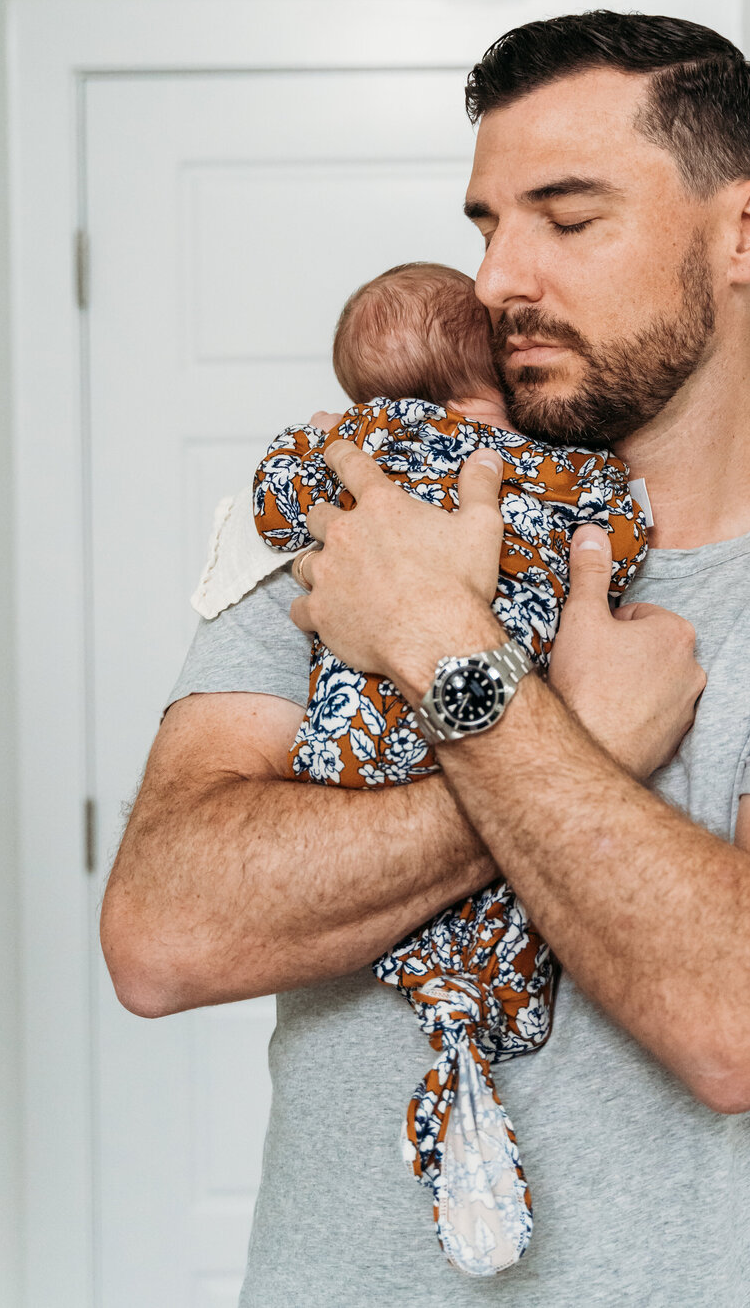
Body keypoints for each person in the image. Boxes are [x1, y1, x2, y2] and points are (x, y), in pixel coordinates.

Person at [100, 11, 750, 1308]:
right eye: (485, 222)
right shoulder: (355, 510)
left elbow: (743, 1018)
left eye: (568, 219)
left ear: (746, 230)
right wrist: (576, 737)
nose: (498, 280)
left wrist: (439, 646)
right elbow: (164, 933)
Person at [251, 259, 647, 1276]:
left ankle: (447, 1034)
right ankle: (473, 1047)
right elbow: (623, 521)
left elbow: (269, 502)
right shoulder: (546, 471)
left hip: (352, 753)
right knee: (512, 916)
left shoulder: (337, 469)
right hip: (508, 719)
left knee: (367, 821)